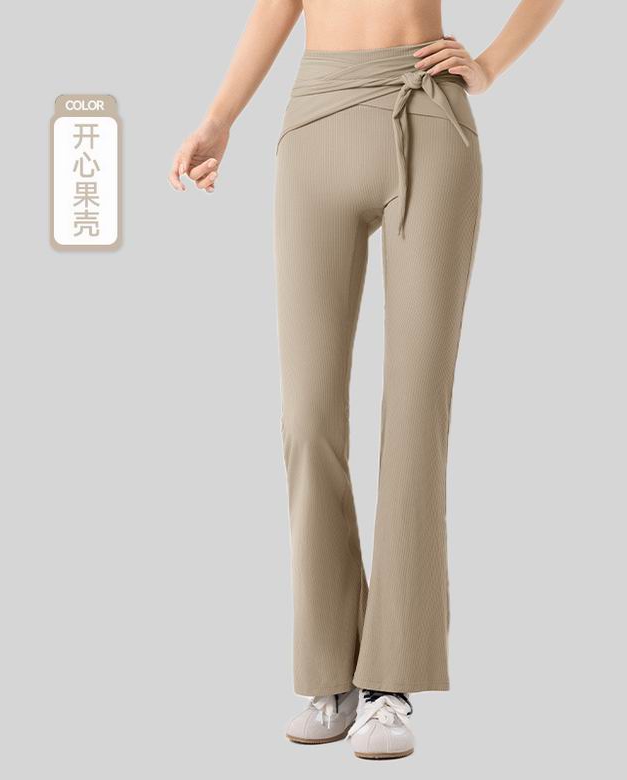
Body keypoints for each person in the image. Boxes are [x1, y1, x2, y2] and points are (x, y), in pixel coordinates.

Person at [169, 0, 563, 761]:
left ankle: (391, 682)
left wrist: (487, 67)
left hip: (427, 114)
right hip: (316, 115)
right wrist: (219, 119)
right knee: (307, 418)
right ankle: (329, 673)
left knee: (416, 412)